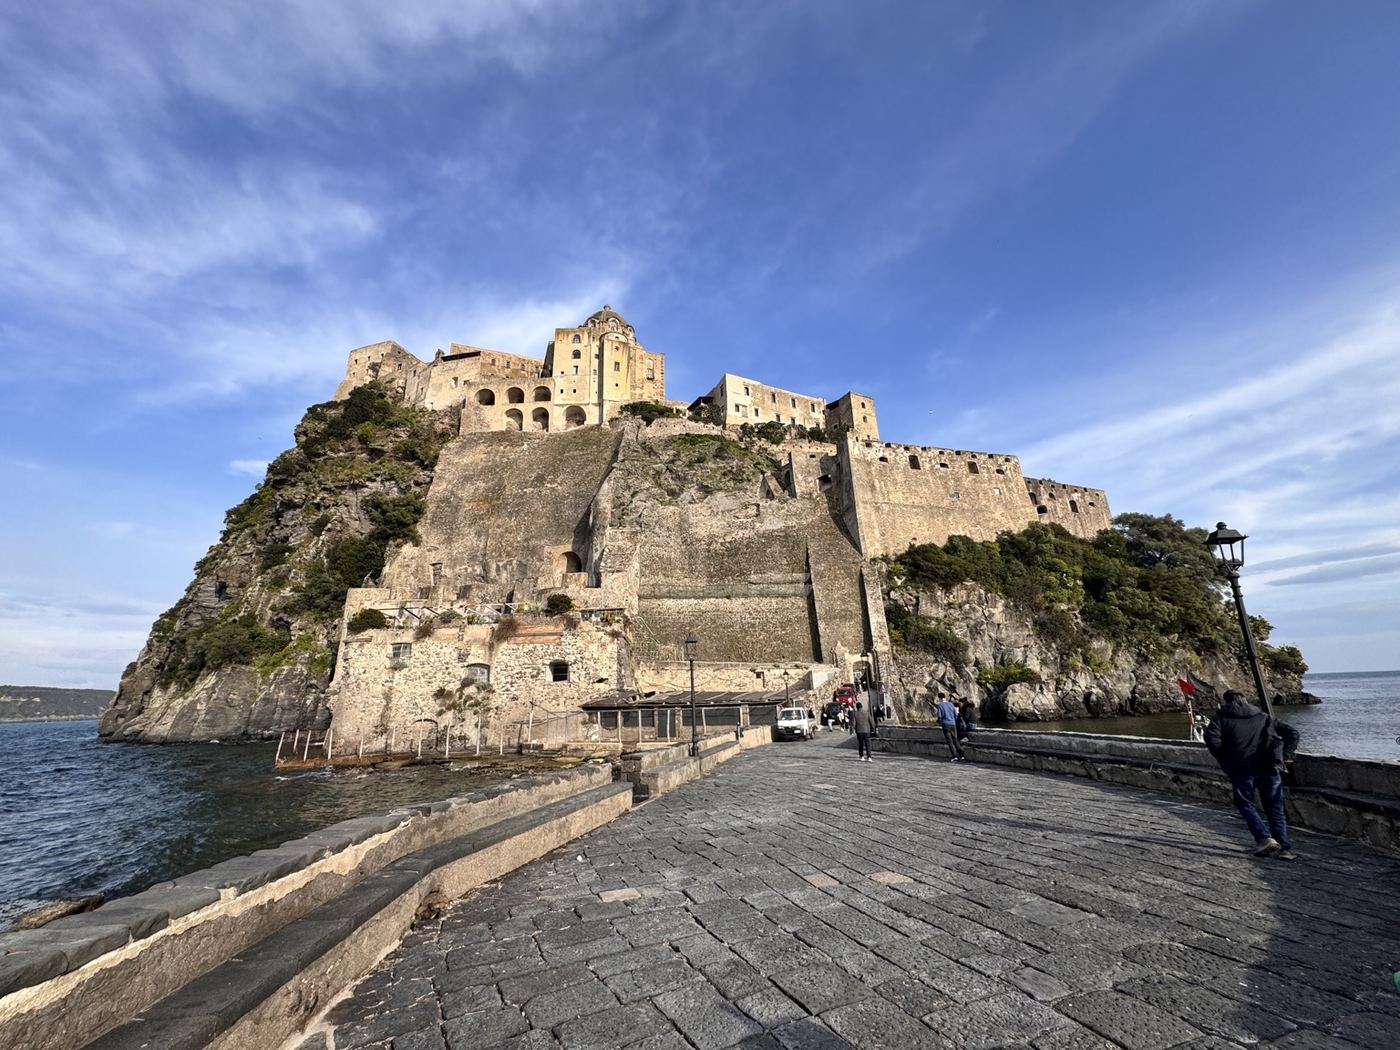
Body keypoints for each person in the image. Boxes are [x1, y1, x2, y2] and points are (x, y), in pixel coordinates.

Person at [1204, 690, 1301, 860]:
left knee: (1245, 803)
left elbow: (1212, 740)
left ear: (1225, 702)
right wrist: (1287, 756)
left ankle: (1264, 838)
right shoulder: (1263, 717)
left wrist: (1228, 757)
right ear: (1245, 700)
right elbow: (1293, 733)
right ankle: (1284, 848)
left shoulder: (1220, 718)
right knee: (1275, 808)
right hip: (1269, 768)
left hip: (1242, 770)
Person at [935, 693, 964, 762]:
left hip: (946, 724)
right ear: (945, 697)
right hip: (953, 724)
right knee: (955, 739)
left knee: (950, 741)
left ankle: (955, 756)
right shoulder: (951, 704)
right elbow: (955, 714)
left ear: (939, 698)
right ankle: (961, 755)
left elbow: (939, 716)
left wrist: (940, 721)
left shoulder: (940, 705)